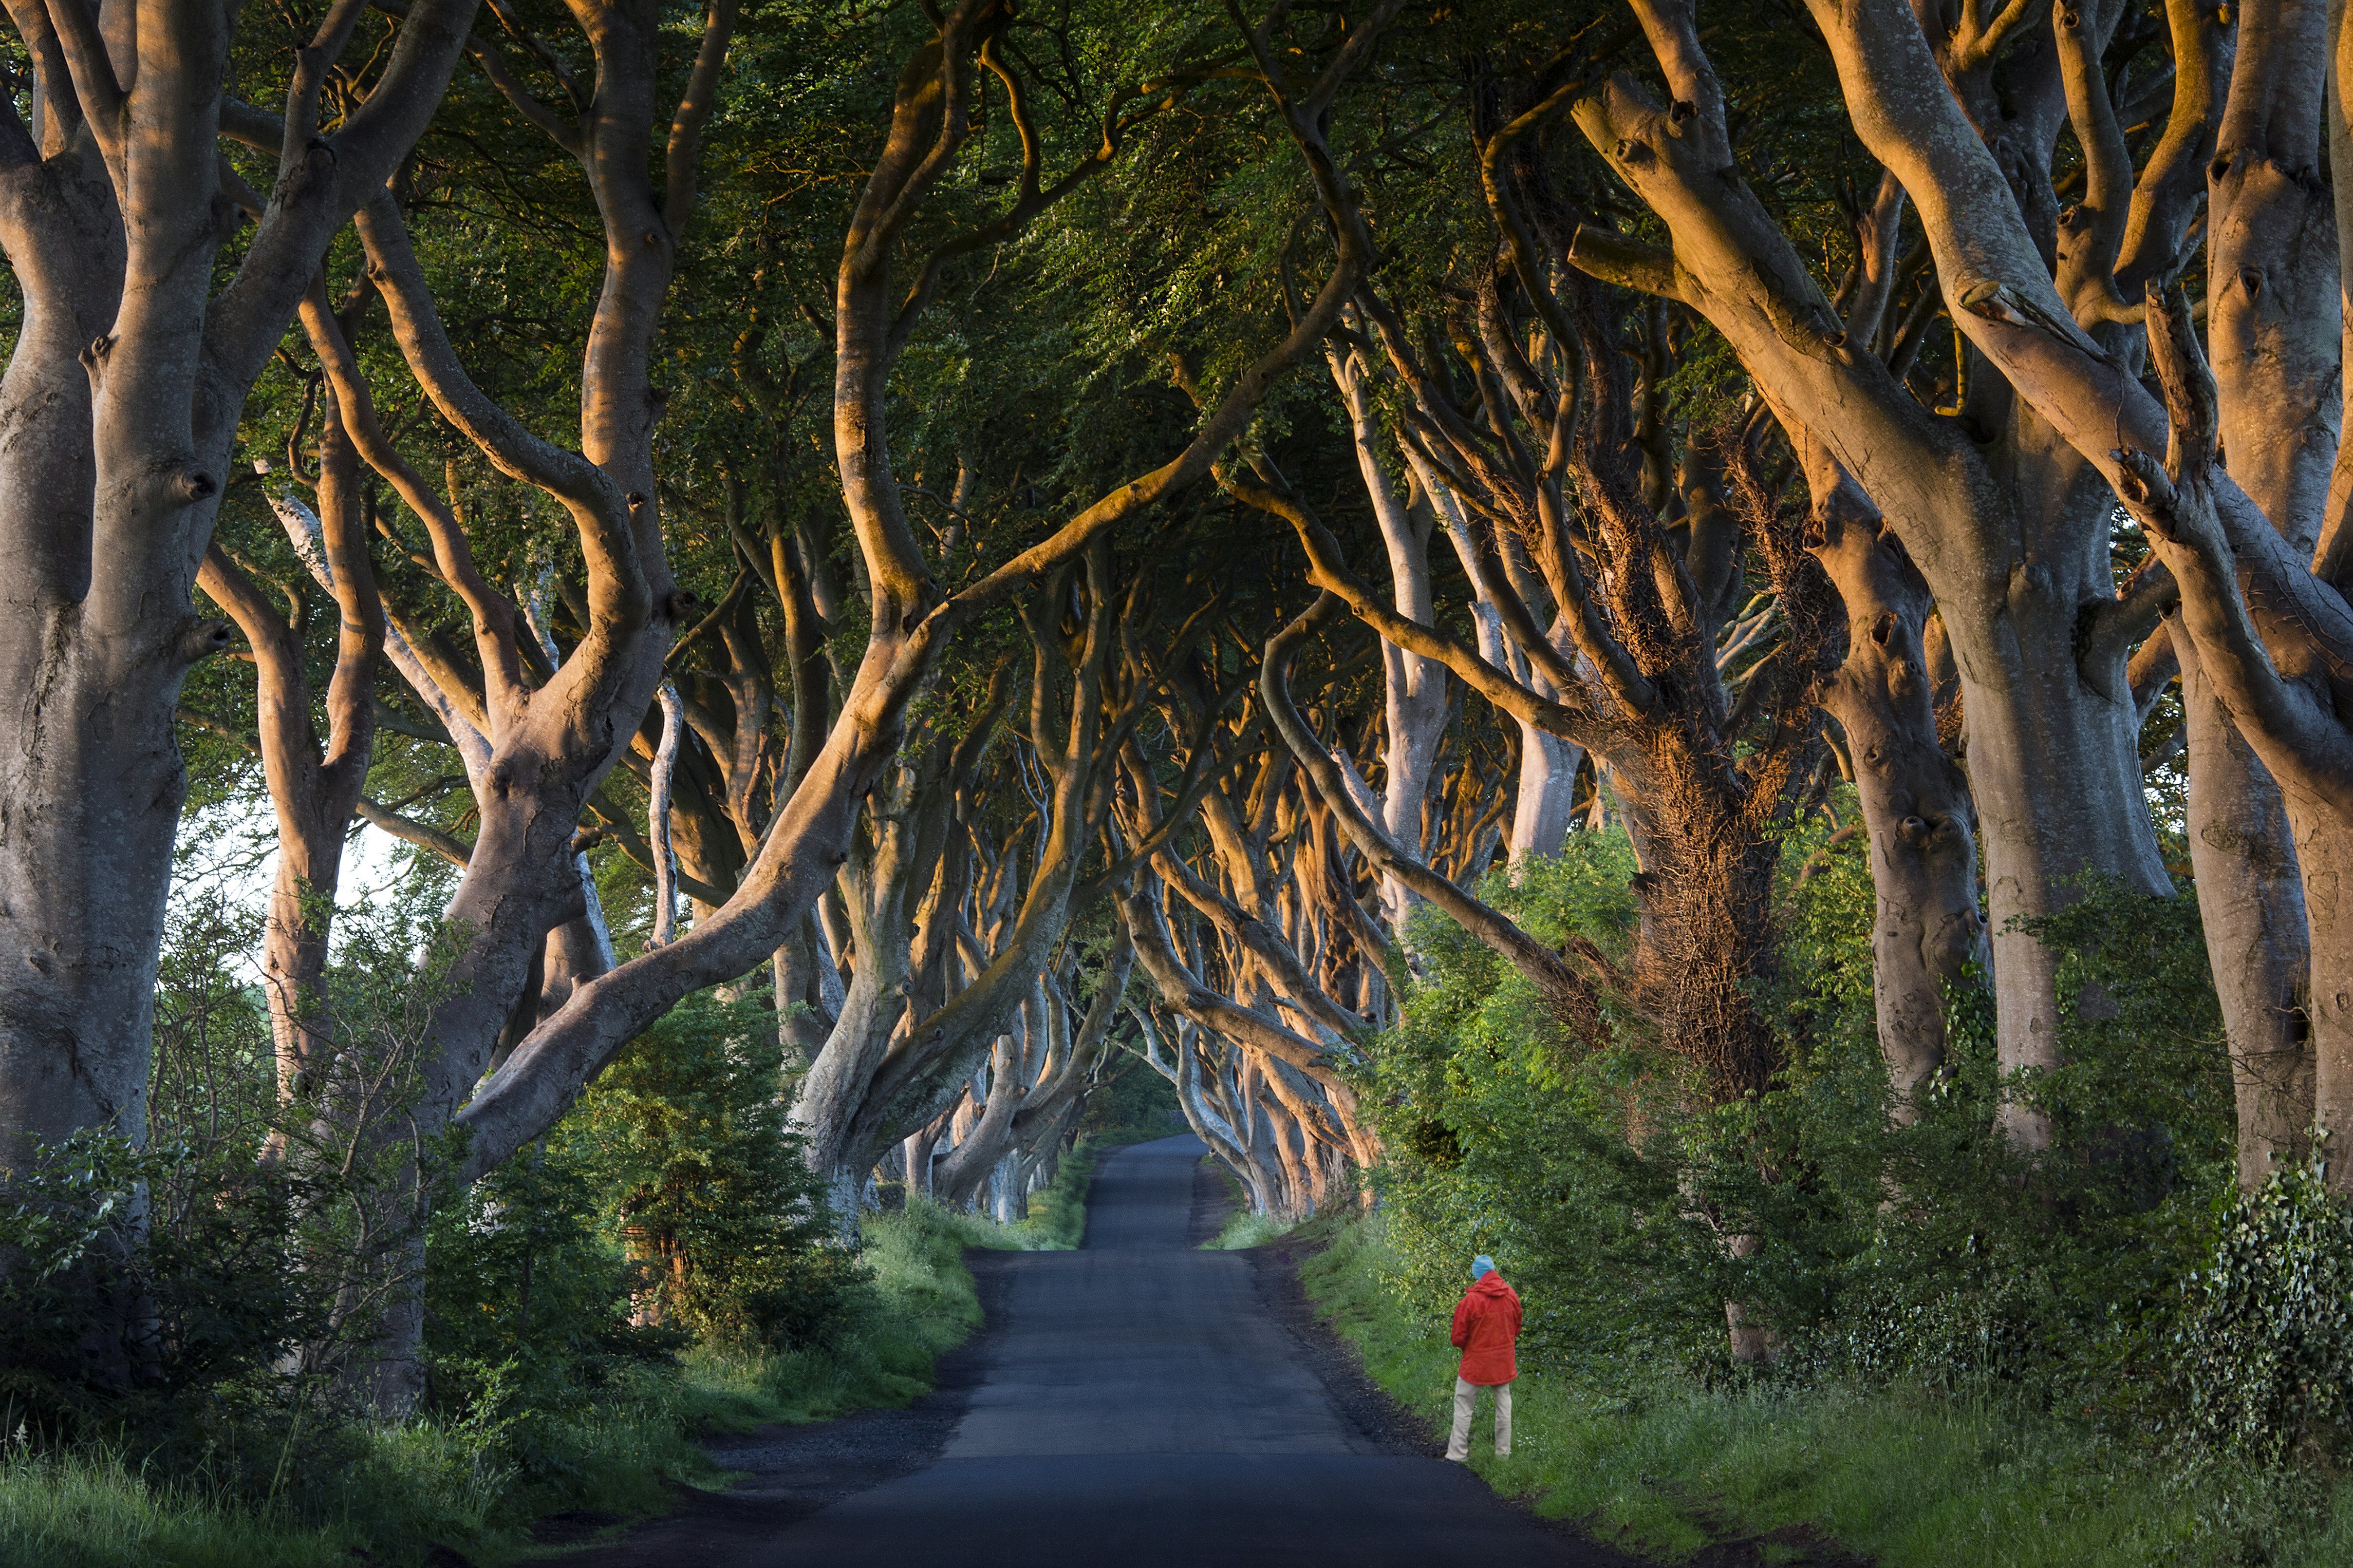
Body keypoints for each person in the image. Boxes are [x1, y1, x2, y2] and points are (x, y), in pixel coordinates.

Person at [1445, 1254, 1521, 1462]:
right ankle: (1503, 1456)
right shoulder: (1512, 1295)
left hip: (1475, 1363)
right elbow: (1517, 1327)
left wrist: (1471, 1347)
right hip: (1503, 1363)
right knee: (1504, 1408)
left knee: (1464, 1406)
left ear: (1477, 1275)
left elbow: (1457, 1338)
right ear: (1494, 1271)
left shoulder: (1470, 1301)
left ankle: (1457, 1454)